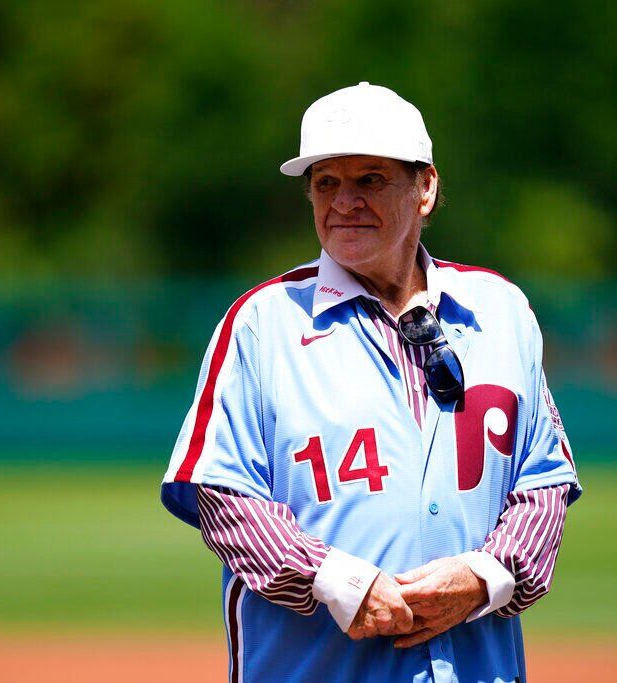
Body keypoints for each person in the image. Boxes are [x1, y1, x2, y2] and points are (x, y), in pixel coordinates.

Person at [161, 82, 581, 683]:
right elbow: (221, 497)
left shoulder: (501, 311)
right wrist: (339, 583)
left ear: (426, 187)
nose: (344, 202)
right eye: (326, 182)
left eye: (371, 180)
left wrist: (483, 579)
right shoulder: (263, 322)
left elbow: (544, 484)